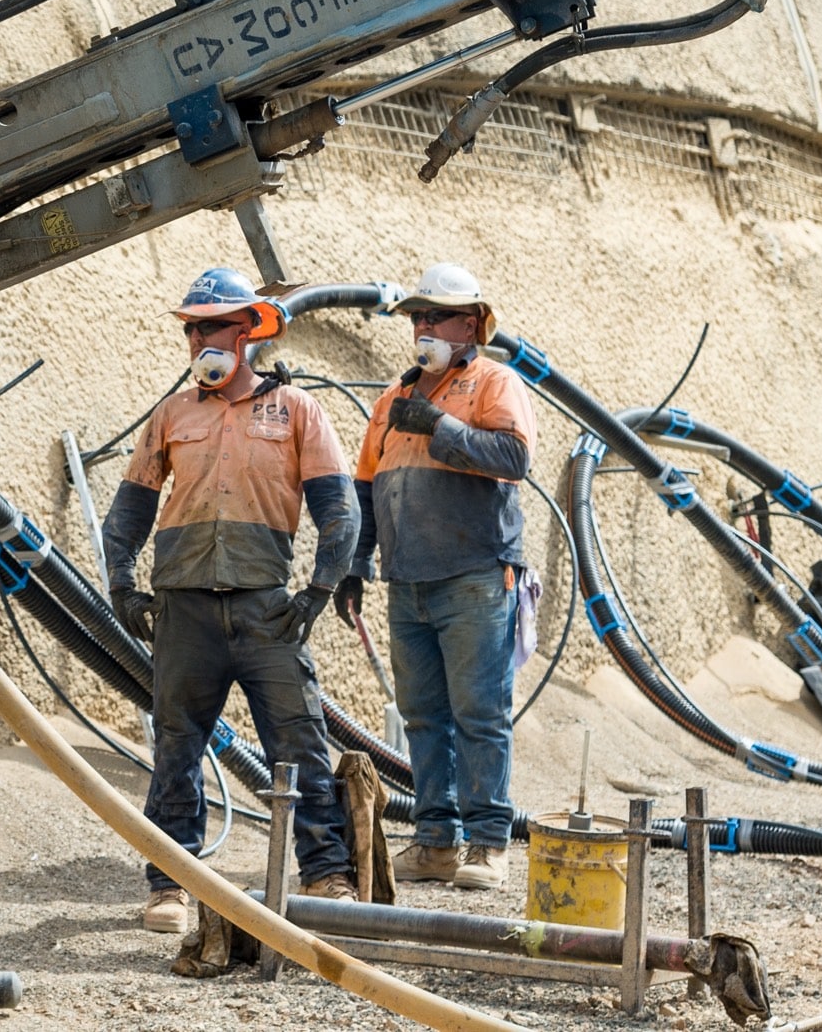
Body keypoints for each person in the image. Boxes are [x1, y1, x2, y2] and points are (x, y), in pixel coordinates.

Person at [102, 266, 364, 934]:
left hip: (264, 607)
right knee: (176, 748)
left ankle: (327, 875)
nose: (198, 339)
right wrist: (123, 589)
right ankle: (171, 885)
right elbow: (127, 515)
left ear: (246, 330)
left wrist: (317, 593)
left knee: (299, 740)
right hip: (183, 607)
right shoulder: (172, 415)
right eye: (192, 328)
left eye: (212, 325)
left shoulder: (296, 410)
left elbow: (341, 514)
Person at [335, 262, 536, 891]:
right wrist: (355, 564)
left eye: (437, 316)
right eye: (419, 316)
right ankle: (435, 840)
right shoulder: (392, 401)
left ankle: (487, 843)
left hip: (475, 575)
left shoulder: (493, 384)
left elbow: (514, 458)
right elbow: (367, 489)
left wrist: (442, 427)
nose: (423, 326)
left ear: (471, 324)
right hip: (408, 581)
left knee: (479, 712)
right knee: (423, 714)